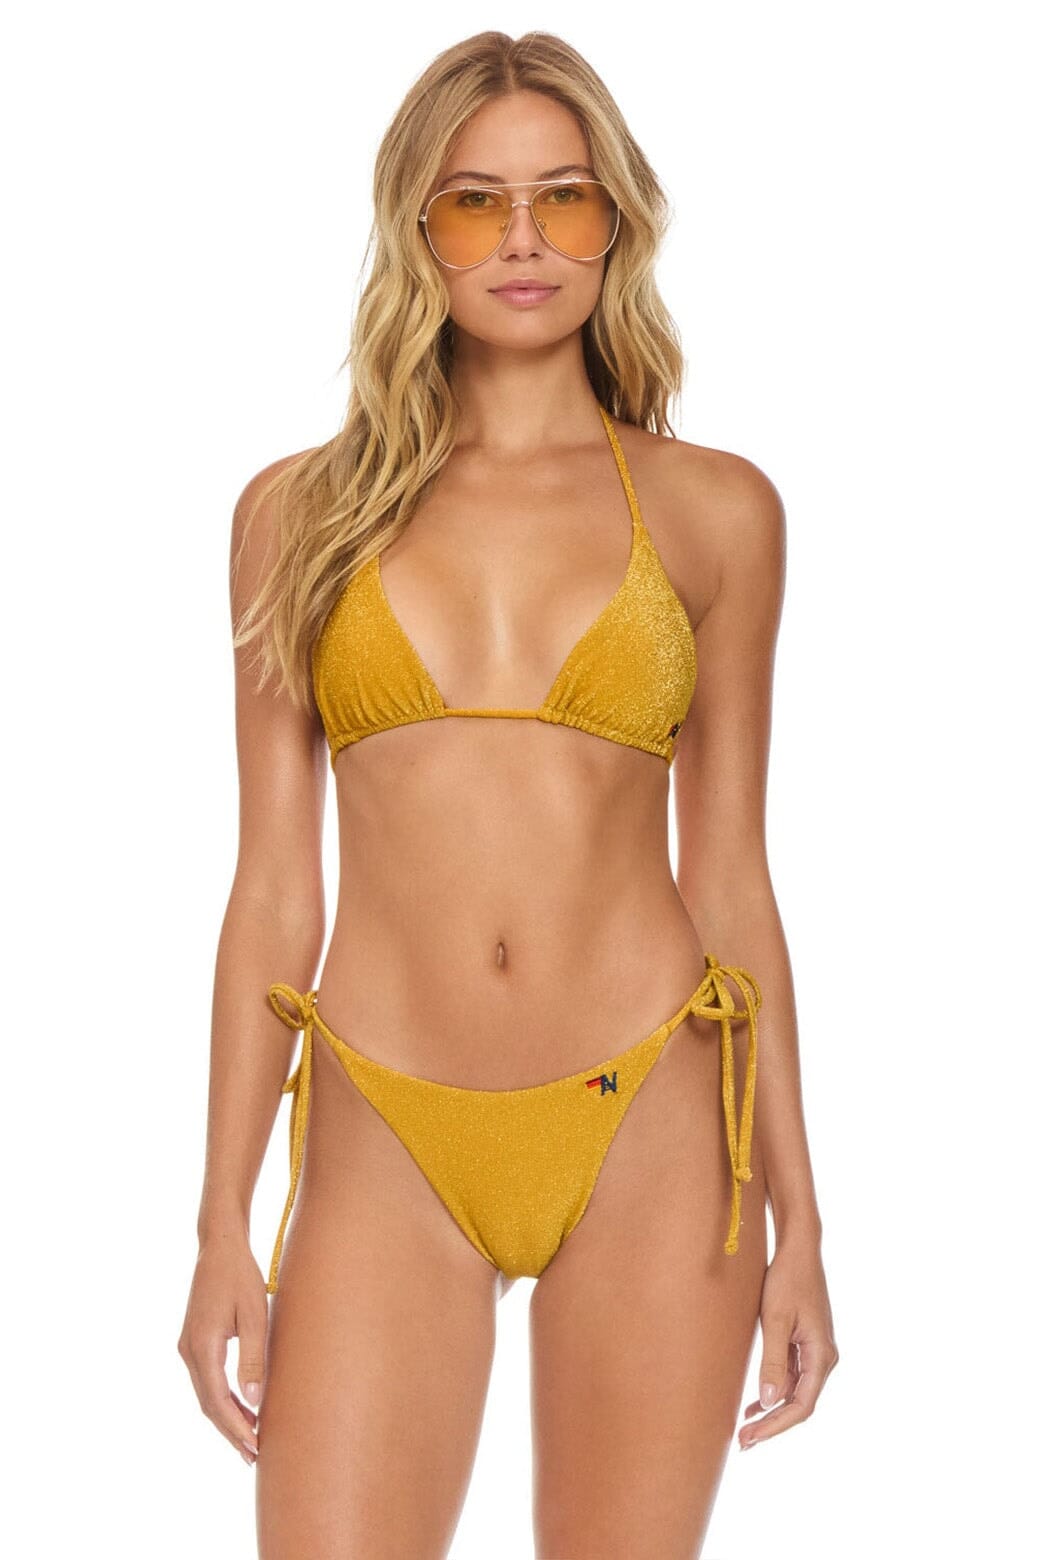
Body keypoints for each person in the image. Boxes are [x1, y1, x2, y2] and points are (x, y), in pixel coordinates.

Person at [178, 29, 838, 1558]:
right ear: (419, 229)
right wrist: (220, 1220)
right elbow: (271, 888)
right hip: (385, 1122)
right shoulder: (300, 514)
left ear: (618, 221)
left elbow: (733, 876)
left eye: (565, 198)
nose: (525, 241)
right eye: (478, 203)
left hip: (653, 1115)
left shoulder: (716, 511)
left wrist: (802, 1217)